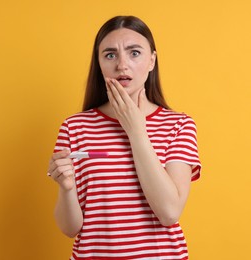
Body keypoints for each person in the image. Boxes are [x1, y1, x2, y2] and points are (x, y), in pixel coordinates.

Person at [47, 16, 201, 260]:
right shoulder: (74, 127)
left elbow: (169, 212)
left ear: (152, 60)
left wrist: (136, 130)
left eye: (134, 53)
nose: (122, 65)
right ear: (99, 64)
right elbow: (70, 229)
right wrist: (66, 189)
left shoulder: (178, 125)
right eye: (110, 55)